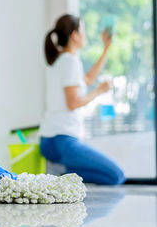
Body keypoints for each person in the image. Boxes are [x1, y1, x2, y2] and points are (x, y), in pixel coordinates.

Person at [39, 14, 126, 185]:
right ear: (74, 35)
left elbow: (86, 80)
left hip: (50, 140)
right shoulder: (69, 62)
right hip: (62, 140)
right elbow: (73, 103)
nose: (85, 36)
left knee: (113, 177)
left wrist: (106, 49)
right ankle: (59, 172)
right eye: (83, 31)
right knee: (116, 176)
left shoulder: (60, 60)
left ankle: (59, 172)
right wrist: (99, 91)